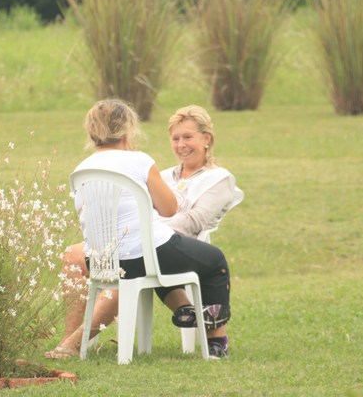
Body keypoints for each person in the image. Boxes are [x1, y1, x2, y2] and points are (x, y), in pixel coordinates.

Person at [45, 101, 237, 360]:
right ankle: (216, 342)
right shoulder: (139, 161)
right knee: (215, 261)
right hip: (141, 255)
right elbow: (169, 209)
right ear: (128, 130)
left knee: (151, 259)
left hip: (101, 256)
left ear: (92, 133)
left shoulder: (80, 170)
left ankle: (184, 310)